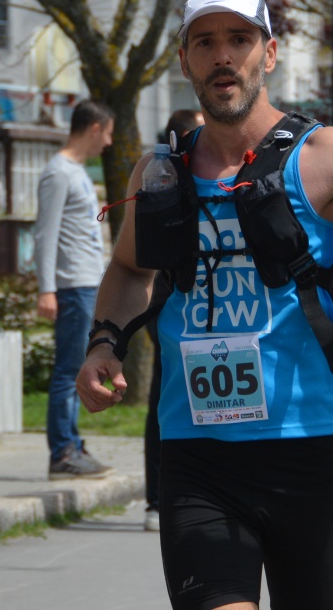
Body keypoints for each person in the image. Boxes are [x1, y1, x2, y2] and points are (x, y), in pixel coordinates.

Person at [77, 0, 333, 609]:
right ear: (184, 61)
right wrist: (104, 341)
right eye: (204, 43)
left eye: (239, 40)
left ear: (268, 54)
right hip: (196, 452)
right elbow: (132, 270)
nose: (222, 56)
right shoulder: (159, 173)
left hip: (306, 447)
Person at [35, 100, 116, 480]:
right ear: (95, 128)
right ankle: (62, 452)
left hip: (86, 283)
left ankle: (73, 444)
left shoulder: (76, 171)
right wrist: (46, 289)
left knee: (77, 368)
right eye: (108, 133)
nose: (110, 142)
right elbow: (45, 234)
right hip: (71, 285)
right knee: (69, 370)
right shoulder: (58, 172)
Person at [144, 108, 205, 531]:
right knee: (164, 393)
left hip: (217, 303)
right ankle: (156, 500)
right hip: (170, 299)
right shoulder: (160, 175)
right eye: (197, 132)